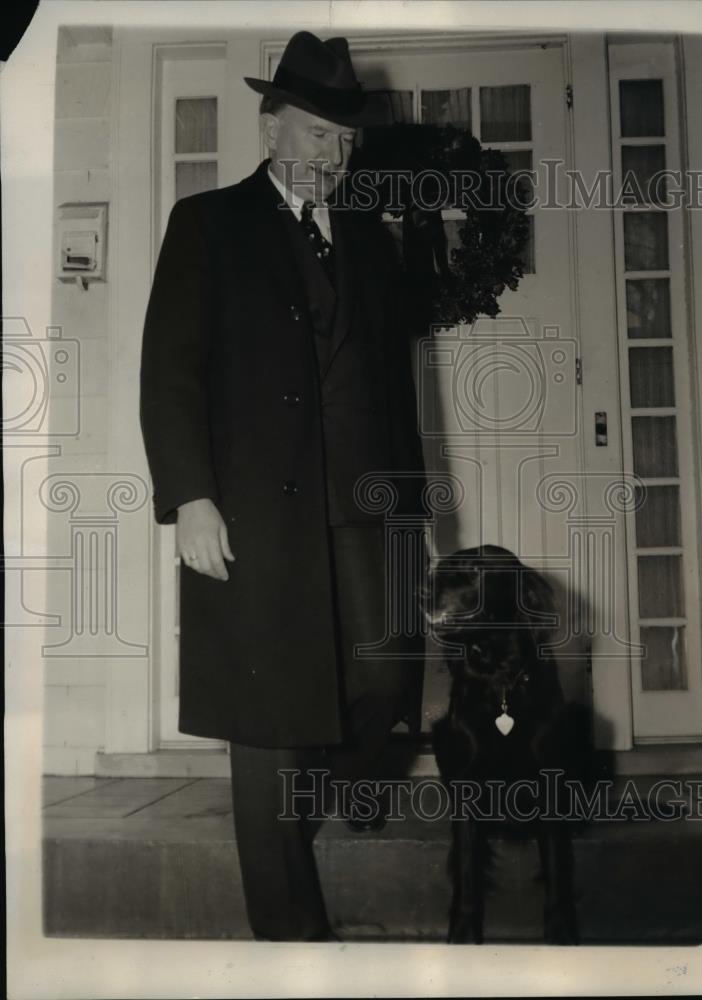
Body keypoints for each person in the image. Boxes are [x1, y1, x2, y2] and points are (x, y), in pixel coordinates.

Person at [139, 31, 427, 941]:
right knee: (266, 722)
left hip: (363, 512)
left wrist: (413, 512)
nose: (329, 158)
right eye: (312, 136)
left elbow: (392, 386)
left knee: (382, 679)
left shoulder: (374, 244)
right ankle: (290, 940)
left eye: (344, 142)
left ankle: (344, 788)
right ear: (270, 130)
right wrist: (190, 496)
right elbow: (169, 372)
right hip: (251, 514)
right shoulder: (207, 224)